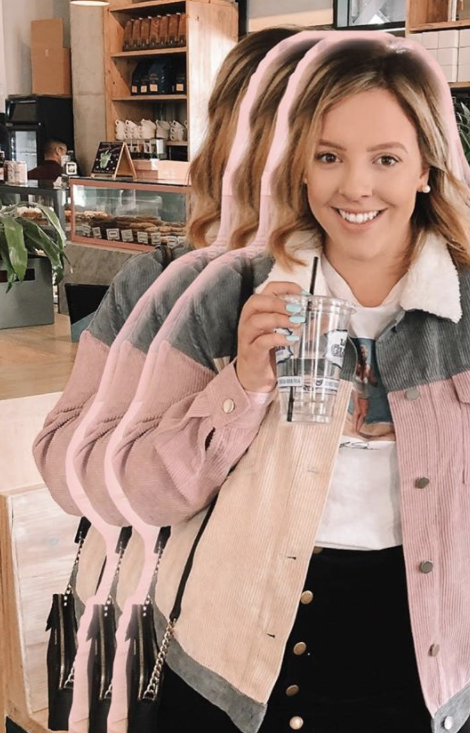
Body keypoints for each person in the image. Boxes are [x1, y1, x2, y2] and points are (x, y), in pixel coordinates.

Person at [113, 34, 470, 733]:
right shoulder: (230, 291)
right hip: (232, 667)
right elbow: (146, 491)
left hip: (420, 671)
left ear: (426, 167)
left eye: (385, 159)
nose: (355, 187)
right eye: (329, 156)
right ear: (298, 164)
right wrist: (242, 386)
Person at [33, 26, 300, 519]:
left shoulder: (409, 293)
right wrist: (239, 389)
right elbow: (64, 467)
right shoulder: (163, 283)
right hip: (193, 562)